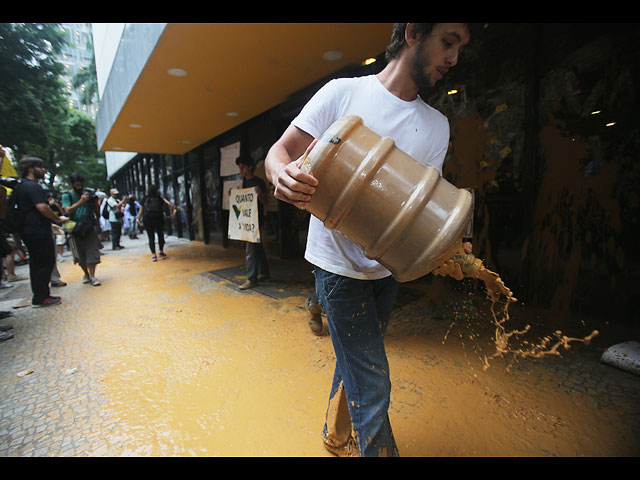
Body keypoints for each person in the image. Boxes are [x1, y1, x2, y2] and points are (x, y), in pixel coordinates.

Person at [265, 23, 470, 456]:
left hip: (386, 268)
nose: (454, 58)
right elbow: (280, 152)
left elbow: (418, 209)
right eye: (448, 42)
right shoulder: (343, 94)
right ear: (414, 32)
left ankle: (334, 434)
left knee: (355, 361)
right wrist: (280, 174)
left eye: (460, 48)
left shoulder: (436, 126)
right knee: (373, 378)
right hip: (337, 268)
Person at [15, 157, 69, 307]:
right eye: (40, 167)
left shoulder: (22, 186)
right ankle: (41, 297)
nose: (43, 170)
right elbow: (43, 208)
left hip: (29, 230)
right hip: (37, 230)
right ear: (31, 168)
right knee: (43, 262)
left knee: (38, 263)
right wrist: (57, 218)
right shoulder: (32, 187)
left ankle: (41, 295)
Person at [61, 172, 102, 286]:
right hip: (74, 228)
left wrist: (95, 202)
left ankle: (92, 276)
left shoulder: (89, 194)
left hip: (89, 226)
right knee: (80, 255)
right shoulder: (67, 195)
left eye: (81, 185)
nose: (80, 187)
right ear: (73, 184)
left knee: (92, 251)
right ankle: (86, 273)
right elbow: (67, 210)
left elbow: (97, 212)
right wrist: (81, 201)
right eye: (77, 185)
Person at [235, 155, 270, 290]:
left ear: (250, 167)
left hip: (256, 220)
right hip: (247, 220)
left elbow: (265, 202)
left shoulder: (259, 182)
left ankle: (252, 278)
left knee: (251, 249)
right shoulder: (241, 183)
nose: (241, 170)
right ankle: (264, 273)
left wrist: (260, 194)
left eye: (243, 167)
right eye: (240, 168)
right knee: (257, 247)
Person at [137, 184, 174, 262]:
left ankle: (154, 255)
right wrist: (173, 210)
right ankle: (161, 251)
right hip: (158, 219)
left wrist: (138, 219)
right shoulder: (159, 198)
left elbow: (141, 210)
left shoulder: (145, 199)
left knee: (151, 237)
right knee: (160, 235)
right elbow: (169, 205)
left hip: (148, 220)